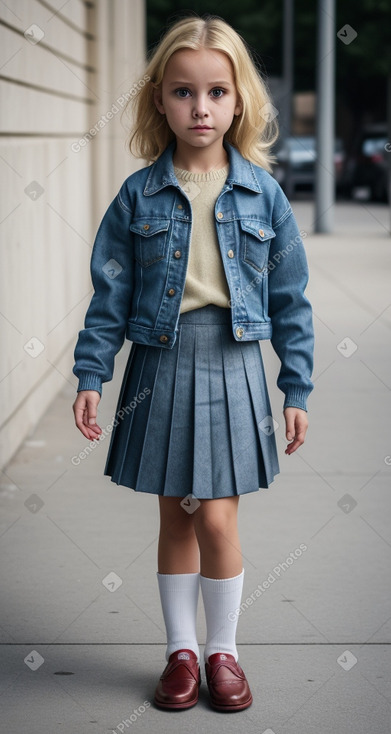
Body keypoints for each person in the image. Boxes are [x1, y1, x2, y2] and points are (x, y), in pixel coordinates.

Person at [72, 14, 314, 713]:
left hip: (233, 361)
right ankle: (180, 652)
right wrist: (91, 374)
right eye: (182, 92)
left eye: (215, 92)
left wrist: (294, 386)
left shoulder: (262, 195)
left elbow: (290, 298)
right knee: (176, 518)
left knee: (216, 519)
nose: (199, 107)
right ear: (159, 100)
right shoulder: (136, 196)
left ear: (238, 101)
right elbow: (109, 294)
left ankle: (223, 653)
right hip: (159, 363)